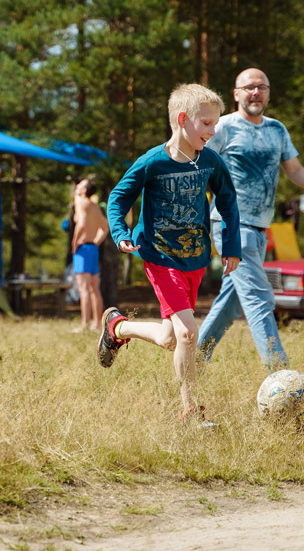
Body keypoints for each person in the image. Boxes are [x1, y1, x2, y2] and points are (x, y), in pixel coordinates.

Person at [99, 84, 241, 428]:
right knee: (189, 333)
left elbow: (228, 199)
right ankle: (190, 411)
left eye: (215, 123)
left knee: (169, 338)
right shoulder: (152, 162)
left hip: (194, 258)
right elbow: (118, 197)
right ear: (182, 120)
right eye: (206, 123)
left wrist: (231, 246)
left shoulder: (209, 160)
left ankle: (117, 327)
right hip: (159, 256)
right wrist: (119, 234)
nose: (213, 130)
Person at [197, 68, 304, 369]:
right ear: (236, 94)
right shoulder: (224, 128)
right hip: (231, 224)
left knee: (231, 301)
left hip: (260, 228)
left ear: (268, 92)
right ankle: (280, 373)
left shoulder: (277, 129)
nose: (255, 92)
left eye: (262, 87)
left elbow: (294, 169)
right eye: (249, 88)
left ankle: (193, 359)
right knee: (260, 297)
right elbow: (200, 164)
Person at [70, 177, 109, 333]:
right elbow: (105, 227)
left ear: (85, 191)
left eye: (80, 185)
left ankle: (85, 325)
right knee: (94, 289)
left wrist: (75, 243)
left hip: (83, 249)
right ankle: (97, 324)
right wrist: (96, 242)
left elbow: (82, 223)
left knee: (83, 288)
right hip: (92, 248)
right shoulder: (95, 206)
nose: (77, 186)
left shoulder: (82, 204)